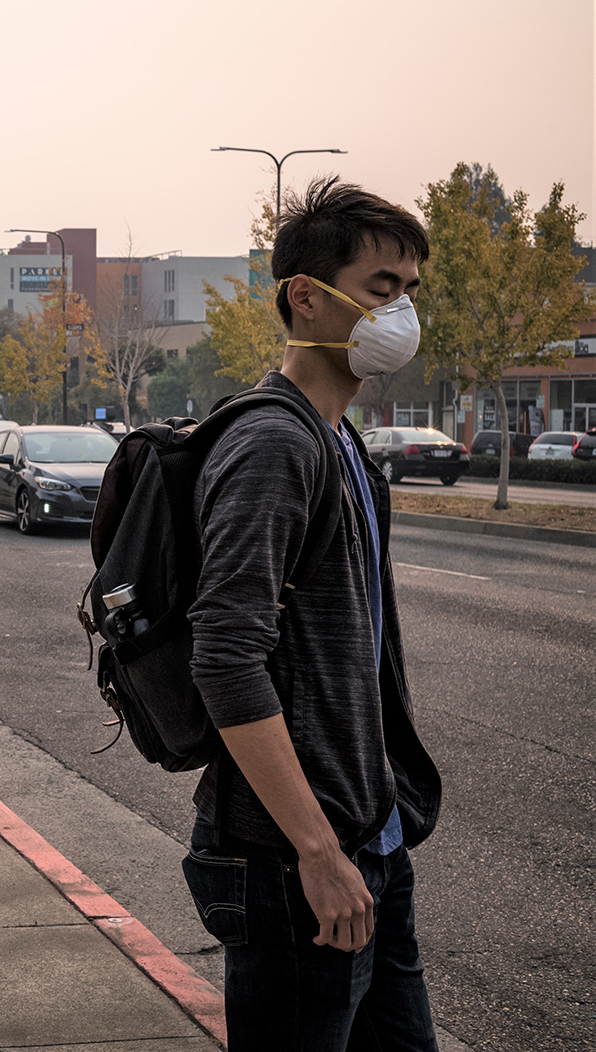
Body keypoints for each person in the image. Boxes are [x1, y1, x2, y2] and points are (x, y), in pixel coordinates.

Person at [181, 178, 443, 1050]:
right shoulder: (273, 444)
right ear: (306, 294)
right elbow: (224, 658)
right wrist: (318, 853)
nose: (402, 310)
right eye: (381, 288)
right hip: (295, 863)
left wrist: (373, 837)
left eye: (411, 291)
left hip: (372, 842)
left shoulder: (339, 441)